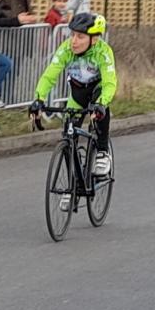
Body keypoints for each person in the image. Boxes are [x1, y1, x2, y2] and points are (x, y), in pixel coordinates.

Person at [29, 13, 116, 202]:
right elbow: (49, 75)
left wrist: (101, 104)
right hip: (77, 93)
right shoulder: (66, 49)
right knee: (69, 135)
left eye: (80, 36)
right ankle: (73, 185)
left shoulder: (103, 51)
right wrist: (38, 99)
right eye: (72, 35)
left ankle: (102, 152)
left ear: (94, 39)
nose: (74, 41)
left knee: (101, 111)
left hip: (97, 91)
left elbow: (110, 83)